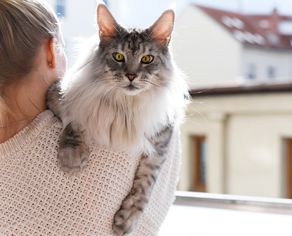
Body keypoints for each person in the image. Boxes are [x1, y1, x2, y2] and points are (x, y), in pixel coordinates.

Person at [0, 0, 180, 235]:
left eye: (145, 60)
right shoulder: (140, 141)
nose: (132, 74)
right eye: (63, 49)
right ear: (51, 51)